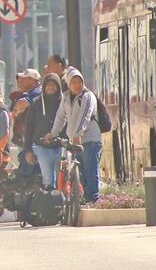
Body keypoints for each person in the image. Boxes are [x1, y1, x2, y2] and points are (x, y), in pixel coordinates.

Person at [49, 68, 102, 203]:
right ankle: (85, 198)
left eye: (79, 81)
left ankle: (93, 199)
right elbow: (60, 116)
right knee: (81, 173)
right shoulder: (66, 97)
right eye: (73, 82)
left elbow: (85, 116)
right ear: (68, 83)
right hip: (74, 142)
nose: (77, 85)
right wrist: (53, 133)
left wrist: (78, 134)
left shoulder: (87, 96)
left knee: (91, 171)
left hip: (90, 140)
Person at [25, 73, 64, 189]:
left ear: (58, 86)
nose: (50, 87)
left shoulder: (64, 103)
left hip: (61, 146)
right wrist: (28, 150)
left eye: (54, 84)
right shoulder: (36, 104)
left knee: (62, 179)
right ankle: (51, 204)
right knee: (48, 180)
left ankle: (63, 201)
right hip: (41, 146)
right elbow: (29, 128)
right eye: (48, 84)